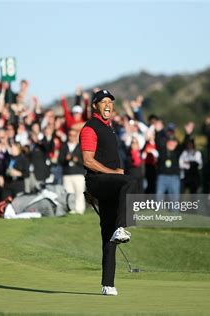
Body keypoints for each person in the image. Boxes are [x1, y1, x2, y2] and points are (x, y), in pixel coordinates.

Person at [79, 89, 138, 296]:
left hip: (109, 183)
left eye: (110, 102)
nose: (107, 105)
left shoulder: (108, 128)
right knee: (129, 181)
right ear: (95, 105)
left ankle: (108, 284)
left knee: (108, 234)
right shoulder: (90, 128)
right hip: (98, 181)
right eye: (103, 102)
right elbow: (87, 160)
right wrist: (113, 173)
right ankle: (122, 226)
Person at [58, 129, 85, 214]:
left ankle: (80, 209)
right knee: (69, 193)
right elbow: (60, 161)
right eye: (70, 135)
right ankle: (71, 209)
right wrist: (66, 159)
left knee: (79, 192)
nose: (72, 137)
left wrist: (77, 160)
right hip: (67, 174)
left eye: (74, 135)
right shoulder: (64, 147)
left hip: (78, 173)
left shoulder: (81, 147)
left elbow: (85, 161)